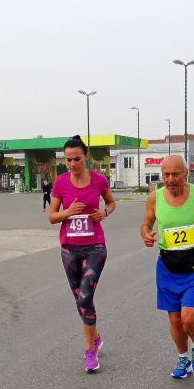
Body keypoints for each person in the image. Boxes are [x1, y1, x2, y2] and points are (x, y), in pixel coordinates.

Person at [140, 155, 194, 379]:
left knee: (188, 318)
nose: (170, 179)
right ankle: (183, 357)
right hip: (167, 266)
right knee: (175, 319)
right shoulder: (154, 198)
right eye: (166, 174)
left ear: (186, 173)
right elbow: (146, 223)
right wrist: (146, 234)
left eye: (176, 174)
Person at [49, 135, 116, 373]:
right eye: (68, 159)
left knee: (86, 296)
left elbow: (111, 203)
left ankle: (90, 351)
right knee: (79, 299)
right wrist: (67, 212)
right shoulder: (60, 182)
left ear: (86, 156)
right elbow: (52, 216)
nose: (72, 163)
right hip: (69, 248)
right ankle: (94, 336)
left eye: (77, 158)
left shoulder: (98, 180)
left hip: (95, 246)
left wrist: (104, 213)